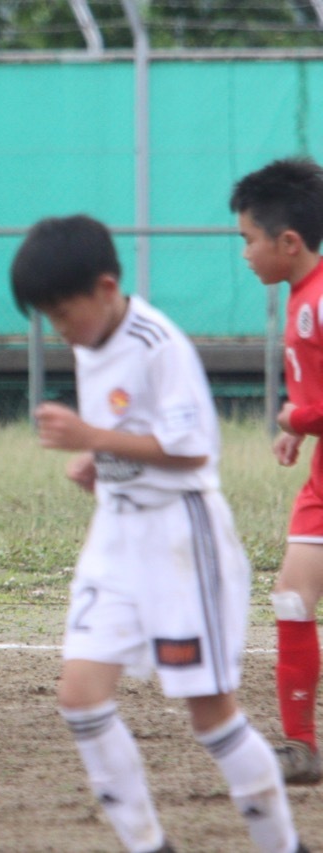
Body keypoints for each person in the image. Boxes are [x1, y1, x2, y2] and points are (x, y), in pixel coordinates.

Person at [11, 214, 303, 853]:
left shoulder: (156, 342)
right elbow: (133, 431)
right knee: (80, 697)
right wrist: (101, 463)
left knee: (210, 715)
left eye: (64, 314)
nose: (61, 331)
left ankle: (284, 845)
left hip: (181, 540)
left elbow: (192, 449)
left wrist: (92, 438)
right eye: (49, 319)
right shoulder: (92, 342)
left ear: (106, 287)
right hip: (116, 535)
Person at [230, 157, 323, 785]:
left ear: (288, 243)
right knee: (292, 597)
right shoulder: (300, 298)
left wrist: (299, 416)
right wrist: (298, 428)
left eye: (249, 240)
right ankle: (301, 747)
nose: (245, 253)